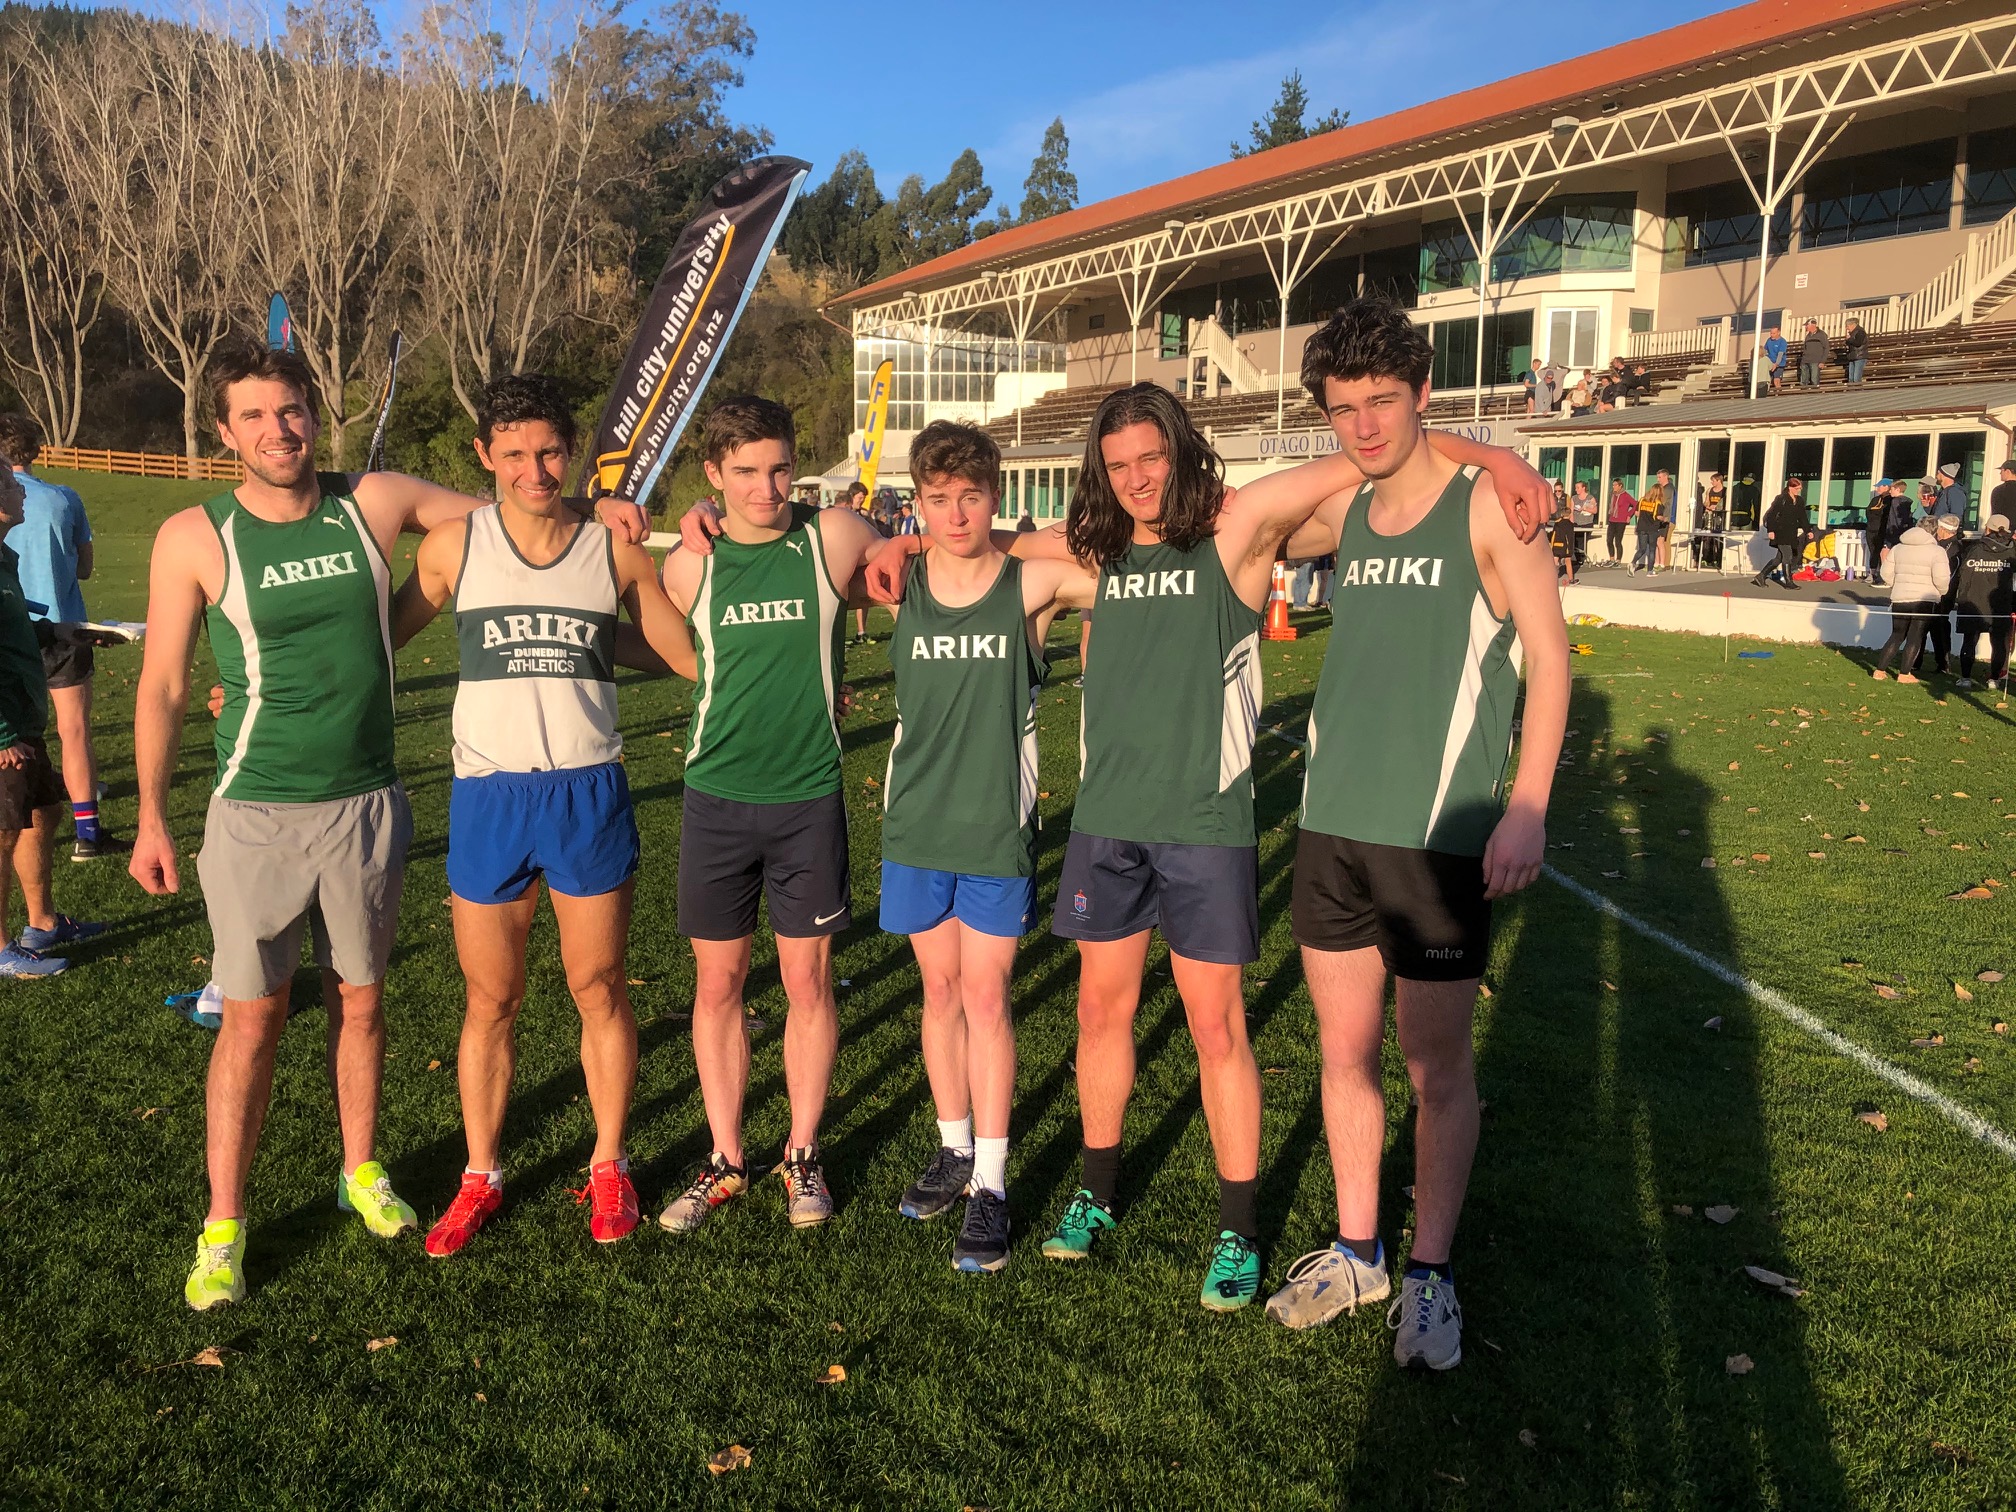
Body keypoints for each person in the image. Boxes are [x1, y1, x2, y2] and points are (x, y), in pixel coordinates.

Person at [866, 375, 1552, 1309]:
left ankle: (1237, 1229)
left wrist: (1495, 455)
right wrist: (904, 541)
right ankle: (1095, 1193)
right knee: (1099, 1015)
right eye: (1119, 464)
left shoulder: (1239, 526)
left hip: (1206, 827)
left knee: (1216, 1026)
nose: (1138, 478)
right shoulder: (1092, 546)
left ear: (1181, 450)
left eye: (1152, 457)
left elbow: (1371, 453)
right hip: (1107, 822)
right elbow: (975, 541)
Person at [133, 341, 648, 1312]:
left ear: (314, 413)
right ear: (224, 431)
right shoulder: (193, 536)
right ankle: (223, 1225)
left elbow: (515, 508)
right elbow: (160, 684)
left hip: (370, 801)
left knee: (362, 1005)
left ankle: (361, 1172)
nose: (278, 430)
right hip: (254, 806)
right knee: (252, 1019)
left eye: (291, 410)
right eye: (254, 416)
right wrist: (150, 816)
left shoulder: (374, 500)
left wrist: (602, 508)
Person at [1257, 299, 1569, 1372]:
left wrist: (1528, 804)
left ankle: (1431, 1272)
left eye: (1384, 402)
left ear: (1423, 393)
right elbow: (1248, 513)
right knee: (1343, 1056)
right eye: (1343, 409)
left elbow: (1551, 659)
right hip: (1329, 829)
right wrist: (1482, 443)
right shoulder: (1344, 508)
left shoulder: (1490, 510)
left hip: (1437, 838)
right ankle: (1359, 1253)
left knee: (1434, 1067)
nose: (1365, 427)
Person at [386, 374, 699, 1258]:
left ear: (574, 453)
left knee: (598, 986)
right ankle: (479, 1174)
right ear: (484, 455)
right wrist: (252, 686)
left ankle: (609, 1161)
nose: (535, 470)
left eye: (552, 451)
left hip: (585, 792)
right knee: (491, 997)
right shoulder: (452, 548)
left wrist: (708, 550)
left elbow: (684, 654)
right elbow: (372, 641)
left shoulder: (613, 553)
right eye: (515, 454)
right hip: (489, 797)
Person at [660, 397, 910, 1235]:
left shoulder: (829, 535)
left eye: (779, 470)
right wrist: (694, 522)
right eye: (744, 473)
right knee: (718, 984)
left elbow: (893, 549)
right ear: (712, 474)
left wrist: (894, 550)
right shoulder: (688, 567)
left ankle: (802, 1153)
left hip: (807, 797)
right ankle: (726, 1158)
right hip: (715, 798)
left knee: (806, 983)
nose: (766, 489)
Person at [877, 421, 1094, 1272]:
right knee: (938, 992)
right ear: (918, 502)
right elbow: (826, 537)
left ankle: (993, 1185)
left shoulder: (1029, 582)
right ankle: (954, 1148)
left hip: (996, 828)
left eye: (972, 497)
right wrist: (894, 541)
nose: (956, 515)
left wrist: (1015, 538)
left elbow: (1110, 557)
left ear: (995, 497)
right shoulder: (898, 581)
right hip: (915, 826)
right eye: (938, 500)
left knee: (987, 996)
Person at [0, 460, 105, 977]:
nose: (20, 490)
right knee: (2, 833)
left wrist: (63, 633)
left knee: (43, 814)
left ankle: (41, 923)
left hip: (24, 722)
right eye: (9, 484)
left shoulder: (4, 556)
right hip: (5, 731)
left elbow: (13, 630)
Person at [0, 415, 110, 860]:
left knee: (38, 792)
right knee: (74, 731)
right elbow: (84, 568)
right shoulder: (65, 498)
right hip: (58, 634)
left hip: (29, 636)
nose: (20, 493)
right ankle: (88, 833)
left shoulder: (8, 541)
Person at [1871, 518, 1950, 683]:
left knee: (1896, 635)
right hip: (1925, 600)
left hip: (1900, 597)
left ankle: (1880, 670)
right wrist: (1941, 592)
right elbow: (1941, 578)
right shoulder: (1937, 551)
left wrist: (1897, 584)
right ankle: (1904, 673)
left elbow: (1885, 573)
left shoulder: (1898, 548)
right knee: (1915, 637)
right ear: (1934, 531)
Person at [1952, 513, 2014, 690]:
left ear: (1987, 528)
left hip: (1973, 601)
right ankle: (1994, 679)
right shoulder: (2011, 550)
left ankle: (1965, 678)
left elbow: (1962, 573)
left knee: (1970, 640)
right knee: (1999, 642)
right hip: (1999, 603)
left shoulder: (1975, 548)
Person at [1753, 477, 1809, 590]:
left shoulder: (1799, 501)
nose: (1799, 490)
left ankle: (1761, 576)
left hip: (1791, 533)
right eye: (1797, 488)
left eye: (1800, 488)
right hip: (1780, 532)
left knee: (1778, 559)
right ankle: (1789, 582)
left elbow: (1802, 517)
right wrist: (1771, 530)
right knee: (1787, 556)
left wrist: (1808, 530)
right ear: (1790, 487)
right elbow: (1771, 515)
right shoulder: (1781, 499)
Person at [1864, 479, 1894, 585]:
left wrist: (1876, 514)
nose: (1877, 489)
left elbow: (1885, 515)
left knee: (1882, 552)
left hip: (1882, 530)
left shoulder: (1891, 500)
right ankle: (1872, 573)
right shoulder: (1875, 499)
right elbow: (1868, 512)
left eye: (1879, 486)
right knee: (1873, 551)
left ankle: (1883, 575)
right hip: (1871, 529)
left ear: (1886, 487)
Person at [1630, 481, 1663, 575]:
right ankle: (1650, 571)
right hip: (1652, 528)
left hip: (1641, 527)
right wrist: (1664, 519)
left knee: (1642, 549)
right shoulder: (1658, 503)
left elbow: (1636, 513)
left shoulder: (1642, 500)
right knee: (1652, 550)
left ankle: (1632, 563)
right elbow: (1658, 517)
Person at [1696, 471, 1727, 570]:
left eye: (1713, 480)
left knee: (1718, 539)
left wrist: (1717, 507)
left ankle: (1717, 559)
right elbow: (1706, 502)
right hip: (1710, 515)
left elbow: (1726, 503)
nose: (1711, 482)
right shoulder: (1710, 490)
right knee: (1707, 537)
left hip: (1719, 517)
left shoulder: (1725, 491)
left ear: (1719, 481)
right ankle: (1706, 558)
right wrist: (1708, 506)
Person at [1605, 478, 1635, 564]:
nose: (1613, 487)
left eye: (1615, 485)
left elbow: (1636, 504)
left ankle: (1618, 560)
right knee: (1609, 540)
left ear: (1620, 486)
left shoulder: (1625, 495)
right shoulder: (1613, 495)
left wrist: (1629, 515)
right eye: (1613, 485)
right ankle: (1612, 558)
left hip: (1621, 521)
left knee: (1618, 541)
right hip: (1612, 520)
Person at [1798, 319, 1828, 389]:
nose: (1806, 327)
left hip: (1815, 361)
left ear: (1813, 325)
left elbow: (1826, 348)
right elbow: (1805, 348)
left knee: (1814, 381)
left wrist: (1822, 361)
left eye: (1807, 325)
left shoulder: (1822, 334)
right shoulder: (1808, 336)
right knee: (1803, 381)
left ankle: (1815, 393)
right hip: (1805, 361)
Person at [1762, 325, 1788, 396]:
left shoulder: (1782, 342)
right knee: (1766, 380)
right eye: (1771, 333)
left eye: (1773, 333)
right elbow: (1765, 351)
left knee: (1776, 380)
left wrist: (1776, 364)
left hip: (1779, 364)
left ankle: (1779, 394)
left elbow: (1780, 354)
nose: (1772, 335)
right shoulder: (1769, 340)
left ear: (1778, 333)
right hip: (1769, 363)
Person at [1842, 317, 1869, 384]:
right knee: (1851, 379)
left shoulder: (1860, 332)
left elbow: (1858, 343)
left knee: (1856, 378)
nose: (1847, 328)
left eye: (1847, 326)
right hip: (1852, 357)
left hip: (1859, 356)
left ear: (1853, 325)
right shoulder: (1852, 333)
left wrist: (1849, 339)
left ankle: (1858, 389)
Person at [1990, 458, 2016, 522]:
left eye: (2002, 470)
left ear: (2008, 471)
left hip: (2002, 527)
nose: (2000, 473)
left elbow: (1996, 514)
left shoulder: (1998, 491)